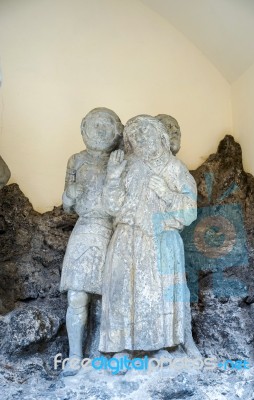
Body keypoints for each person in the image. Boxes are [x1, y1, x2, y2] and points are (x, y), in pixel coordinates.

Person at [99, 115, 201, 357]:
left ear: (161, 135)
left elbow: (189, 212)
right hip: (126, 236)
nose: (141, 138)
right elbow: (111, 207)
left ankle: (158, 345)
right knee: (122, 291)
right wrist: (113, 177)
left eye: (145, 132)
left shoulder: (174, 167)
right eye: (135, 135)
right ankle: (121, 346)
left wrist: (166, 192)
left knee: (157, 292)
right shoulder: (127, 165)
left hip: (163, 238)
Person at [59, 107, 123, 376]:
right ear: (83, 128)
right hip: (84, 228)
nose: (99, 130)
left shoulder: (120, 159)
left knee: (117, 295)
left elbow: (123, 202)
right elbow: (67, 208)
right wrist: (69, 196)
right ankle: (75, 355)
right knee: (77, 295)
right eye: (94, 124)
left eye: (106, 125)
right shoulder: (76, 160)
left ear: (117, 131)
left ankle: (117, 350)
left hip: (113, 230)